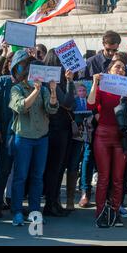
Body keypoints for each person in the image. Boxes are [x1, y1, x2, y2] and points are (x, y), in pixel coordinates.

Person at [9, 51, 59, 226]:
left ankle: (35, 211)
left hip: (41, 137)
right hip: (23, 137)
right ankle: (17, 211)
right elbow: (21, 107)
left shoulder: (44, 89)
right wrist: (35, 91)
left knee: (38, 176)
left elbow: (52, 109)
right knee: (21, 176)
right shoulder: (17, 88)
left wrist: (52, 91)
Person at [88, 58, 127, 228]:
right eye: (117, 67)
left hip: (122, 136)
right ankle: (100, 213)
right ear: (110, 70)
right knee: (104, 177)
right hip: (103, 134)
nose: (120, 70)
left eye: (123, 68)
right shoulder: (102, 87)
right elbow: (91, 104)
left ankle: (115, 211)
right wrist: (95, 83)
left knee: (118, 179)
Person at [42, 50, 76, 217]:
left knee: (59, 167)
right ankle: (50, 203)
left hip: (61, 128)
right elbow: (68, 102)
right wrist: (70, 82)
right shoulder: (51, 79)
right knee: (54, 168)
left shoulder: (55, 79)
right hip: (56, 129)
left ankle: (54, 201)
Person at [0, 45, 21, 218]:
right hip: (5, 131)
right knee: (4, 169)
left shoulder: (29, 83)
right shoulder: (2, 81)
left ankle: (13, 201)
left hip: (24, 133)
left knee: (21, 171)